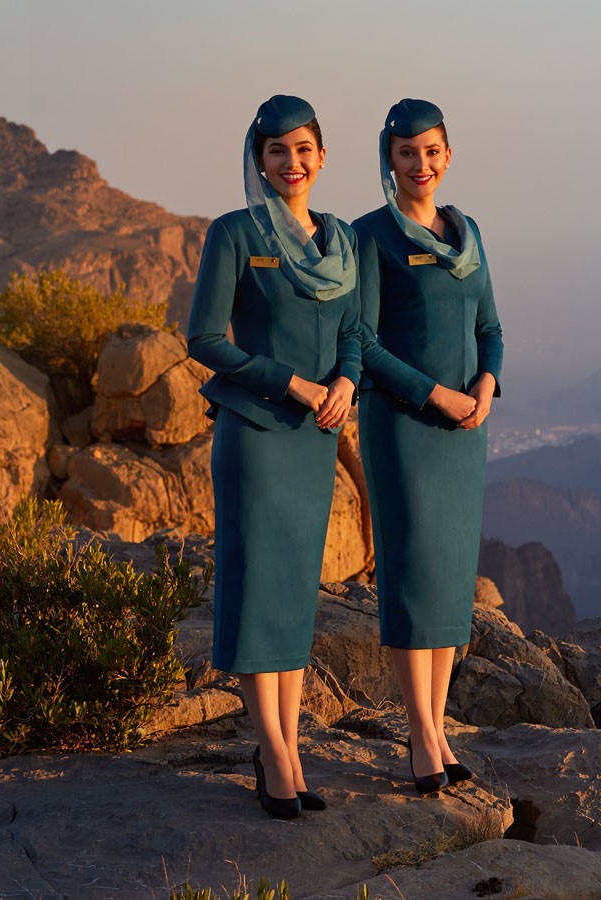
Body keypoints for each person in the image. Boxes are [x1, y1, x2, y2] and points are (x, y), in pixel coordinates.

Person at [187, 94, 362, 819]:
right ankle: (281, 757)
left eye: (303, 149)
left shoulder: (342, 238)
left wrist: (346, 382)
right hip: (256, 434)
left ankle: (279, 748)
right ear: (258, 160)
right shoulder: (234, 233)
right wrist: (288, 380)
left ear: (321, 156)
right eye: (275, 151)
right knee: (258, 589)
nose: (291, 163)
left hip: (314, 438)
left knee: (295, 595)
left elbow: (354, 327)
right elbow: (205, 341)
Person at [351, 98, 503, 795]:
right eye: (407, 152)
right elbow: (364, 344)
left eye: (432, 151)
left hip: (464, 433)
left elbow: (490, 328)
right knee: (412, 578)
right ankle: (419, 738)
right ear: (390, 157)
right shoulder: (370, 236)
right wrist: (435, 395)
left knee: (446, 581)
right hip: (406, 428)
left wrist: (487, 384)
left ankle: (437, 729)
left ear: (449, 155)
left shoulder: (467, 233)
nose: (421, 165)